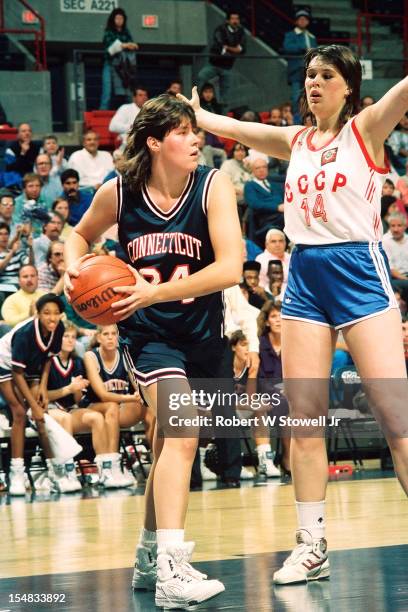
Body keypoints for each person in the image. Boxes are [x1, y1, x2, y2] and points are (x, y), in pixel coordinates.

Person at [180, 43, 408, 584]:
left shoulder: (367, 129)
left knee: (397, 418)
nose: (314, 83)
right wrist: (200, 116)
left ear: (348, 87)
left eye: (326, 75)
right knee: (304, 422)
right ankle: (312, 544)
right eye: (309, 74)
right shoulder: (296, 139)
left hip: (358, 271)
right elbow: (234, 130)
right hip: (305, 277)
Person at [64, 94, 241, 608]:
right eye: (184, 132)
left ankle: (146, 555)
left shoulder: (212, 186)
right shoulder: (119, 193)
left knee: (169, 445)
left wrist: (153, 290)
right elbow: (79, 236)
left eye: (195, 130)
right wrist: (76, 266)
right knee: (181, 434)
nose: (196, 139)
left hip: (203, 335)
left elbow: (230, 268)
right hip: (150, 337)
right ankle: (171, 568)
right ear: (155, 141)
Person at [0, 294, 65, 495]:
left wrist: (43, 388)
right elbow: (17, 374)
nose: (52, 318)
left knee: (41, 415)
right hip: (4, 363)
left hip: (30, 366)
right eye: (47, 313)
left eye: (56, 313)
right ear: (37, 313)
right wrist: (33, 406)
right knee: (20, 412)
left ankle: (54, 471)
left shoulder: (58, 329)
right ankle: (16, 473)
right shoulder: (25, 333)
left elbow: (47, 359)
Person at [82, 324, 146, 487]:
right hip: (93, 406)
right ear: (98, 338)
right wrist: (133, 398)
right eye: (106, 334)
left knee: (149, 406)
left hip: (118, 410)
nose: (110, 337)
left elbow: (137, 384)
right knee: (111, 405)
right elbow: (102, 395)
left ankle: (155, 460)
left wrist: (141, 395)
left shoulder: (124, 355)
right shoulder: (91, 356)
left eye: (114, 334)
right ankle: (112, 465)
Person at [198, 12, 246, 112]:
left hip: (227, 67)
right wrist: (234, 49)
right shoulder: (220, 29)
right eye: (233, 19)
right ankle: (198, 104)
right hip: (214, 64)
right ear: (228, 20)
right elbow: (221, 46)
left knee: (226, 96)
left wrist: (228, 48)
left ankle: (222, 116)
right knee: (201, 77)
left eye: (237, 19)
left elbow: (242, 50)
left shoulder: (241, 31)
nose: (235, 21)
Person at [99, 8, 139, 110]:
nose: (119, 20)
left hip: (123, 65)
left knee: (127, 88)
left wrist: (130, 45)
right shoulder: (109, 32)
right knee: (107, 89)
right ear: (113, 19)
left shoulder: (126, 32)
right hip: (110, 63)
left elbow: (133, 45)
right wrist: (124, 45)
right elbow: (110, 49)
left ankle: (133, 110)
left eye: (121, 18)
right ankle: (103, 110)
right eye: (117, 18)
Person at [283, 9, 317, 113]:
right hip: (296, 70)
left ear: (307, 22)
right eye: (300, 19)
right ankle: (296, 120)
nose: (302, 21)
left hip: (310, 70)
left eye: (305, 19)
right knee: (296, 97)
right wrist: (303, 48)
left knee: (310, 96)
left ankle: (309, 118)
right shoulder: (290, 35)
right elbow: (287, 47)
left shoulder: (311, 36)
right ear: (296, 21)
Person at [0, 222, 33, 306]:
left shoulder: (18, 252)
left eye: (6, 234)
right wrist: (12, 252)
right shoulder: (13, 251)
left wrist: (30, 247)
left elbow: (29, 265)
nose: (4, 237)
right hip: (3, 287)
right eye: (0, 234)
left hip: (19, 286)